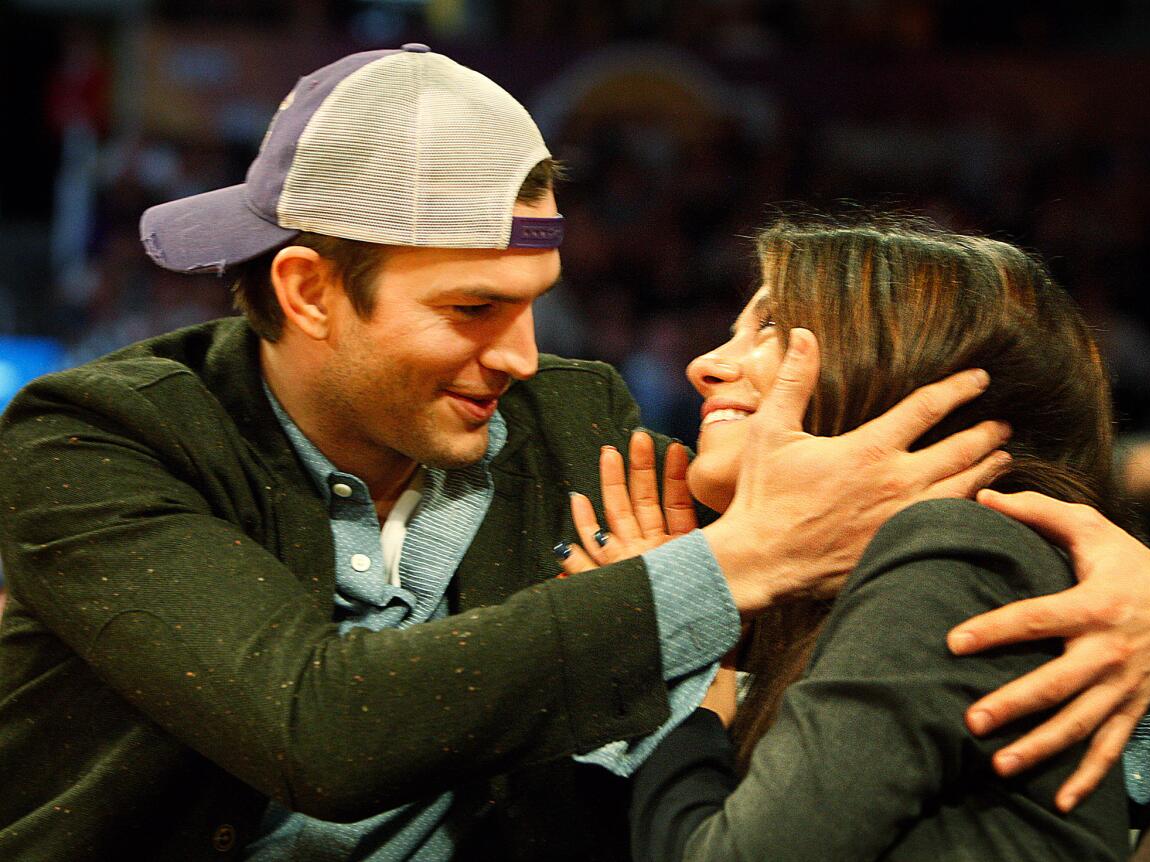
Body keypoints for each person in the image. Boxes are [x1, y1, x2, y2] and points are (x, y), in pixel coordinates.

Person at [0, 47, 1020, 861]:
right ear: (310, 291)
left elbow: (850, 566)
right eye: (473, 309)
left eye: (534, 305)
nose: (525, 359)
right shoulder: (94, 438)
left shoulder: (575, 422)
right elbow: (316, 727)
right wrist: (730, 563)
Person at [557, 217, 1150, 859]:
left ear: (898, 364)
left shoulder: (960, 554)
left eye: (770, 326)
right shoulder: (834, 591)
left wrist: (678, 685)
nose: (704, 366)